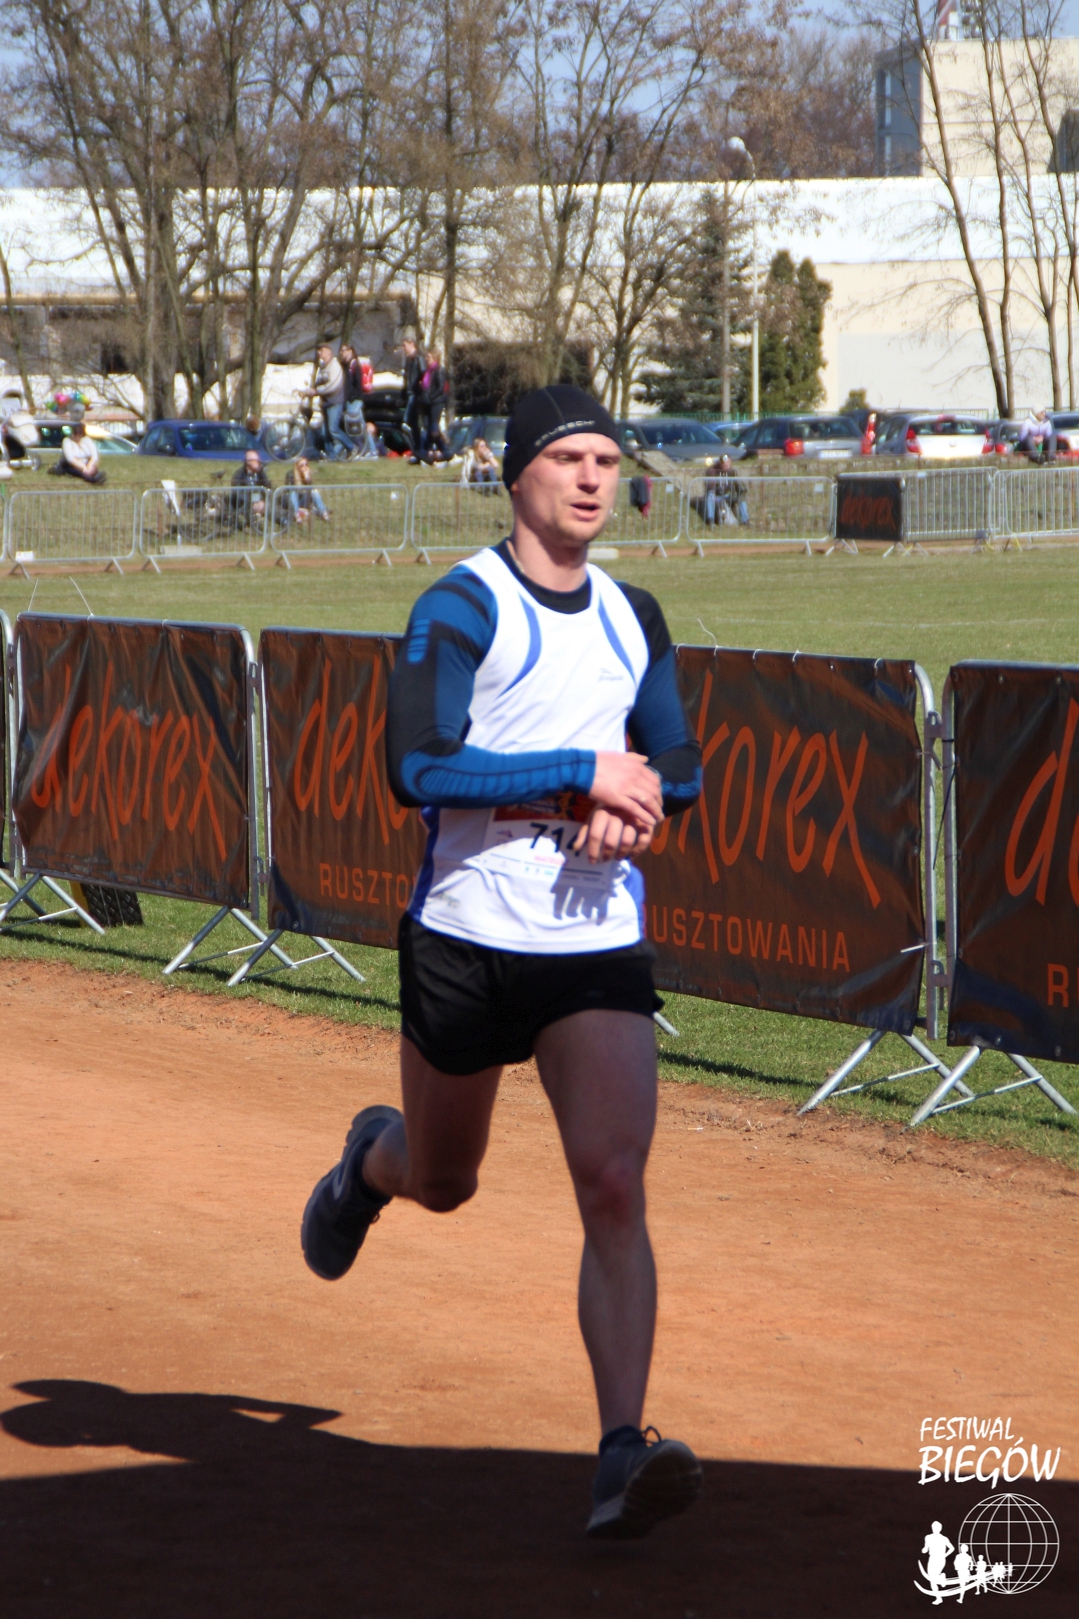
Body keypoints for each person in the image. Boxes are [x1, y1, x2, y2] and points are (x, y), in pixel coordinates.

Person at [301, 384, 704, 1541]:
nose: (590, 478)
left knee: (613, 1179)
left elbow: (676, 764)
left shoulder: (633, 614)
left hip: (591, 937)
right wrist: (581, 773)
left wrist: (637, 802)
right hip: (467, 933)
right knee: (444, 1178)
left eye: (606, 460)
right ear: (516, 471)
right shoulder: (462, 603)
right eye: (568, 458)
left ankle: (620, 1450)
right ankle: (365, 1165)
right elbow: (418, 767)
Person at [301, 341, 353, 461]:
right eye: (318, 351)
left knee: (333, 429)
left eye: (322, 351)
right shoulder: (323, 367)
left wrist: (316, 391)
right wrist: (307, 392)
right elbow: (318, 384)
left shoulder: (334, 365)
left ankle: (351, 447)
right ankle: (331, 455)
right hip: (325, 403)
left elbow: (332, 386)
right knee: (325, 432)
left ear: (329, 352)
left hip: (335, 402)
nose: (319, 353)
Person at [414, 348, 448, 462]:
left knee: (433, 426)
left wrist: (431, 396)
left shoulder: (439, 370)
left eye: (428, 357)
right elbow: (426, 385)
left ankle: (444, 449)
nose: (426, 358)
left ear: (435, 358)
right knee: (427, 426)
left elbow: (440, 387)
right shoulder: (427, 371)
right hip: (427, 403)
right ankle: (425, 451)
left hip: (436, 402)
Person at [230, 449, 272, 527]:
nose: (258, 463)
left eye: (258, 460)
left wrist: (263, 501)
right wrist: (251, 503)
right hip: (245, 503)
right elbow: (237, 491)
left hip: (259, 500)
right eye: (255, 460)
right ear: (248, 462)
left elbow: (268, 486)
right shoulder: (239, 474)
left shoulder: (260, 473)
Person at [285, 455, 330, 524]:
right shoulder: (290, 474)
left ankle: (323, 512)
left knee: (314, 491)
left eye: (306, 464)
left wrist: (307, 479)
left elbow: (310, 489)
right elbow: (289, 490)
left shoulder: (306, 474)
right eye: (302, 465)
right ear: (297, 467)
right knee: (293, 492)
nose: (304, 467)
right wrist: (299, 482)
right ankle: (296, 515)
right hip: (292, 501)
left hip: (303, 500)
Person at [400, 337, 423, 456]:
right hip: (409, 394)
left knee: (407, 423)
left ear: (411, 344)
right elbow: (406, 379)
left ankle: (417, 448)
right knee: (412, 424)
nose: (403, 348)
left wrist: (418, 388)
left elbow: (423, 373)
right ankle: (416, 449)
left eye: (405, 345)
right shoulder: (408, 359)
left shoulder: (418, 357)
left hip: (415, 394)